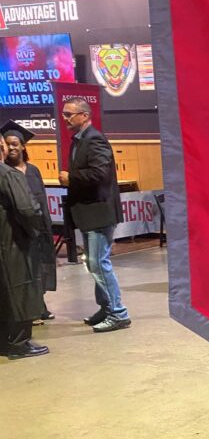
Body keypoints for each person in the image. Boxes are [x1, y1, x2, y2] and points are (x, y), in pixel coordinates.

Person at [59, 99, 131, 331]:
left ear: (84, 115)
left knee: (98, 263)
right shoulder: (79, 140)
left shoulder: (94, 139)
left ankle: (118, 312)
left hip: (99, 211)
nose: (65, 118)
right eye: (64, 114)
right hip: (90, 212)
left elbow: (100, 174)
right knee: (94, 263)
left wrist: (72, 178)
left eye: (69, 114)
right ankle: (106, 307)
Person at [2, 121, 57, 320]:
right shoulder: (6, 173)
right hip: (18, 231)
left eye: (16, 143)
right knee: (23, 271)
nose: (12, 147)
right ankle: (27, 310)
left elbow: (41, 199)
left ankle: (39, 304)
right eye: (8, 144)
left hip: (40, 227)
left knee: (40, 266)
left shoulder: (33, 170)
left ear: (24, 146)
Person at [0, 138, 48, 359]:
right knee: (21, 288)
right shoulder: (8, 174)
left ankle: (3, 343)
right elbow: (27, 209)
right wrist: (34, 231)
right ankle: (19, 343)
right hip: (13, 241)